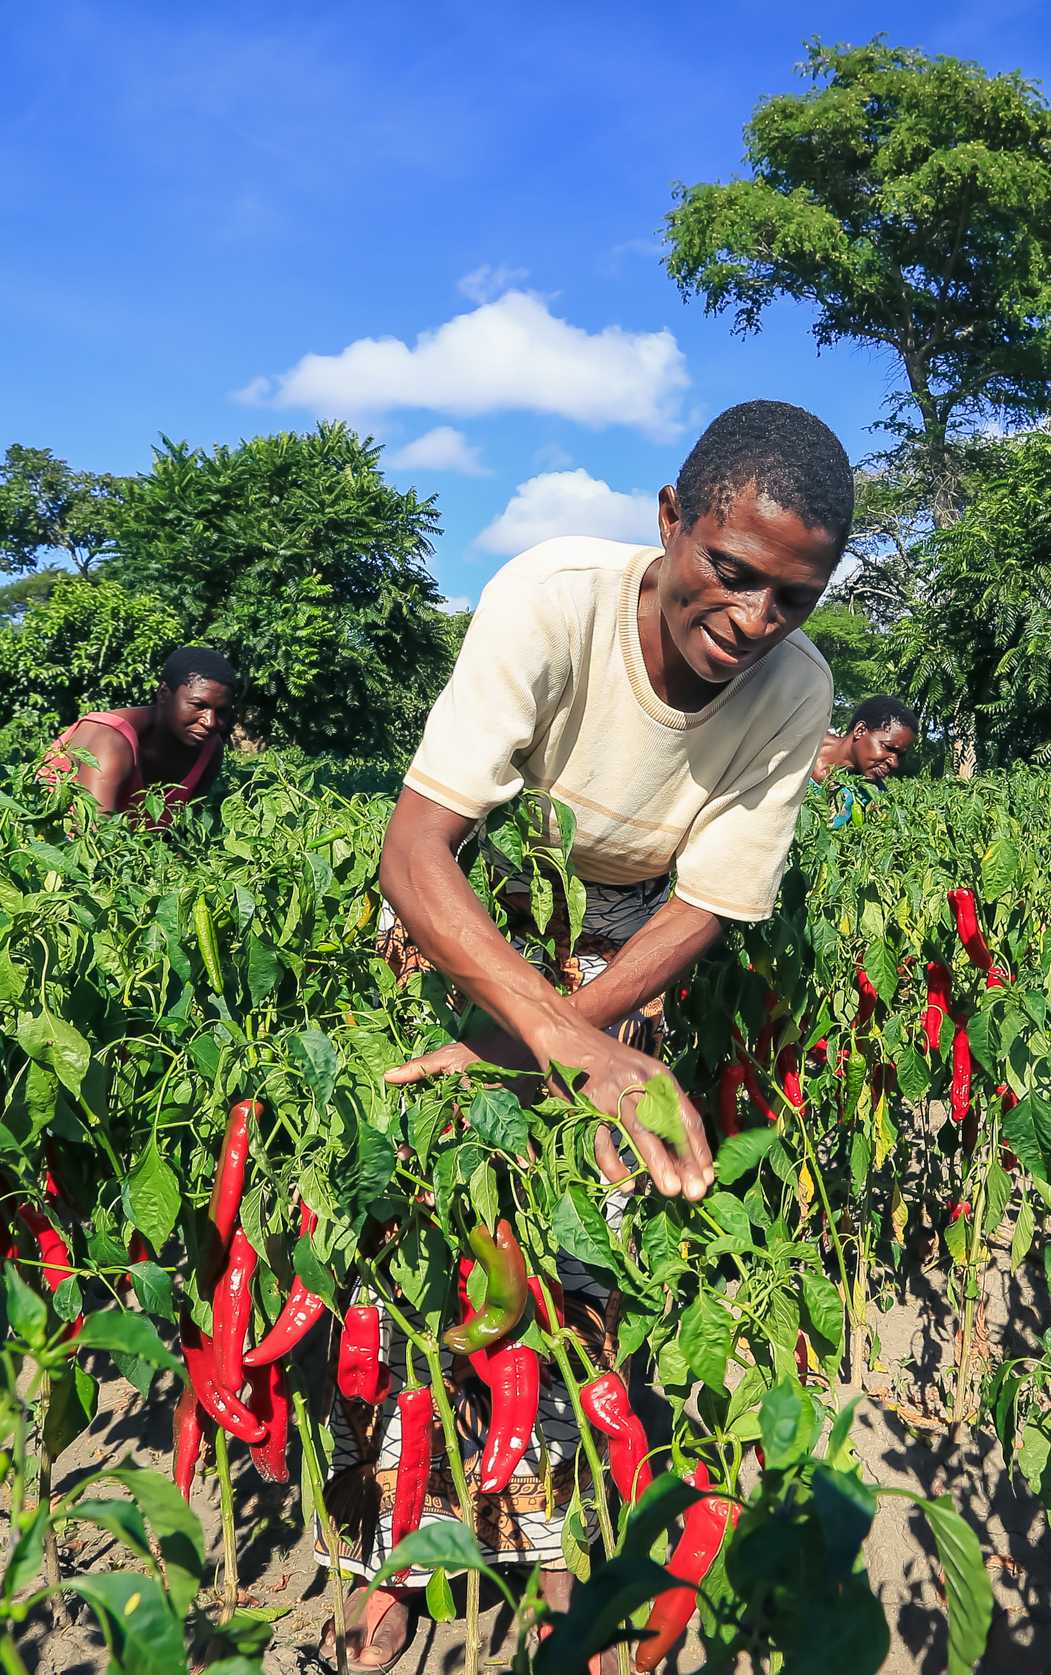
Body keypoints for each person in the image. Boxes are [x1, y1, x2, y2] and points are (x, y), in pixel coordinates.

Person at [325, 400, 850, 1669]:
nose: (755, 619)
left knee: (581, 1242)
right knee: (426, 1231)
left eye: (793, 597)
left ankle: (541, 1529)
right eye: (732, 571)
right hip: (478, 899)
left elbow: (705, 904)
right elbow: (416, 851)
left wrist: (552, 1042)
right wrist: (533, 1029)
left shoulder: (796, 690)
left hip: (625, 931)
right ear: (670, 520)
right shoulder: (552, 597)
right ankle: (399, 1545)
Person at [44, 646, 237, 826]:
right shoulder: (112, 739)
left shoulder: (210, 749)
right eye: (198, 706)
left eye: (221, 711)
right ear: (163, 693)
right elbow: (95, 835)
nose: (210, 722)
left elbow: (185, 832)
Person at [811, 696, 918, 825]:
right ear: (860, 730)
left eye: (899, 755)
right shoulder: (801, 748)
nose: (894, 763)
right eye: (889, 748)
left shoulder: (871, 794)